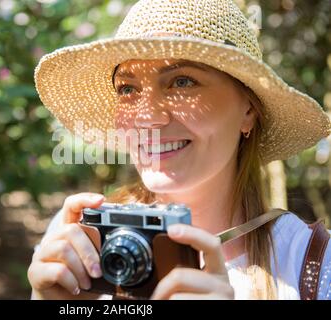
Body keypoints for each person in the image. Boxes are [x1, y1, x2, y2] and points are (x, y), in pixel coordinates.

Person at [28, 0, 331, 299]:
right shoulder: (81, 241)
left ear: (249, 110)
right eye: (128, 89)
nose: (147, 117)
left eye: (182, 82)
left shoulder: (312, 265)